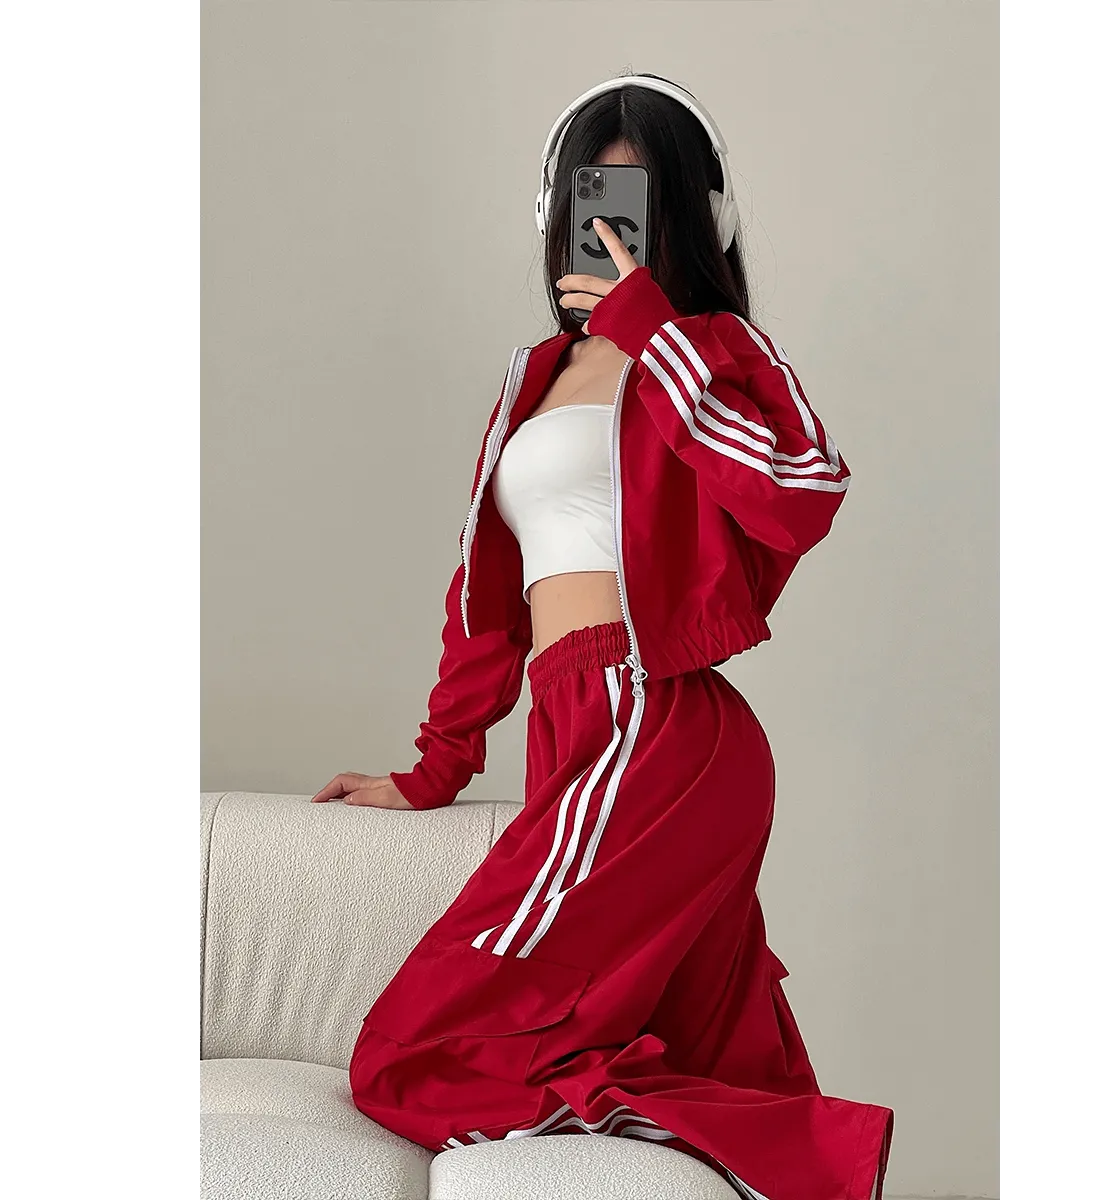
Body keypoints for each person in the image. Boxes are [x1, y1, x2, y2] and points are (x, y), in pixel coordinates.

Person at [312, 73, 892, 1200]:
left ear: (695, 217)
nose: (613, 225)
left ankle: (810, 1149)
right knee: (707, 1046)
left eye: (642, 199)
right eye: (594, 194)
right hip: (569, 725)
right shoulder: (533, 378)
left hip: (655, 721)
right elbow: (486, 599)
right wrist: (436, 768)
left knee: (410, 1054)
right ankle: (797, 1158)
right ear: (556, 210)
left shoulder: (712, 350)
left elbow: (802, 491)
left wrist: (653, 336)